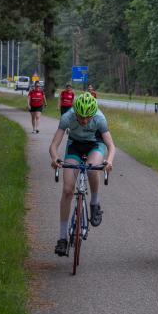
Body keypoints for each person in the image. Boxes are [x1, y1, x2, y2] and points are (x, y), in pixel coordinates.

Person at [49, 92, 115, 256]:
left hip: (95, 145)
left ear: (93, 113)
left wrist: (109, 160)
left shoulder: (99, 118)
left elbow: (111, 146)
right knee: (67, 190)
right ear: (75, 112)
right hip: (75, 146)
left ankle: (94, 203)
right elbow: (54, 145)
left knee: (92, 168)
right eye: (80, 116)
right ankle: (63, 238)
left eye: (88, 117)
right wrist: (55, 158)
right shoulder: (67, 117)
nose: (84, 120)